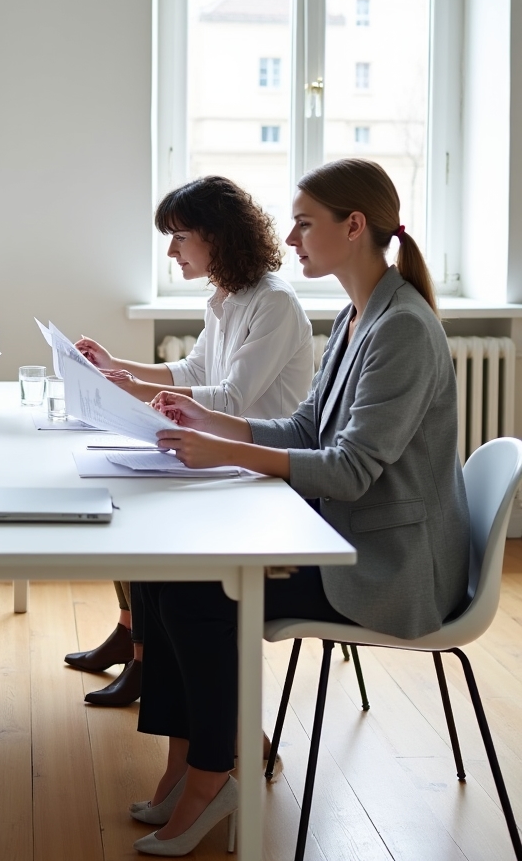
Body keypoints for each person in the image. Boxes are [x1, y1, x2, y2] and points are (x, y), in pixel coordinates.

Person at [129, 158, 469, 856]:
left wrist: (224, 451)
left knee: (197, 592)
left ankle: (210, 776)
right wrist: (205, 418)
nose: (289, 239)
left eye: (304, 224)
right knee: (163, 572)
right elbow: (309, 428)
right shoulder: (357, 314)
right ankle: (191, 762)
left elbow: (347, 471)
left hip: (386, 567)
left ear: (353, 226)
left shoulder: (399, 329)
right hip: (342, 536)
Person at [65, 176, 313, 706]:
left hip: (258, 471)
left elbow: (230, 397)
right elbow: (192, 369)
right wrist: (118, 368)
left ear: (217, 236)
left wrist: (131, 386)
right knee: (124, 507)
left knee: (141, 526)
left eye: (179, 236)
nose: (171, 250)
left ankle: (157, 670)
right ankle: (143, 657)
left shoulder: (273, 303)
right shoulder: (226, 296)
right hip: (223, 461)